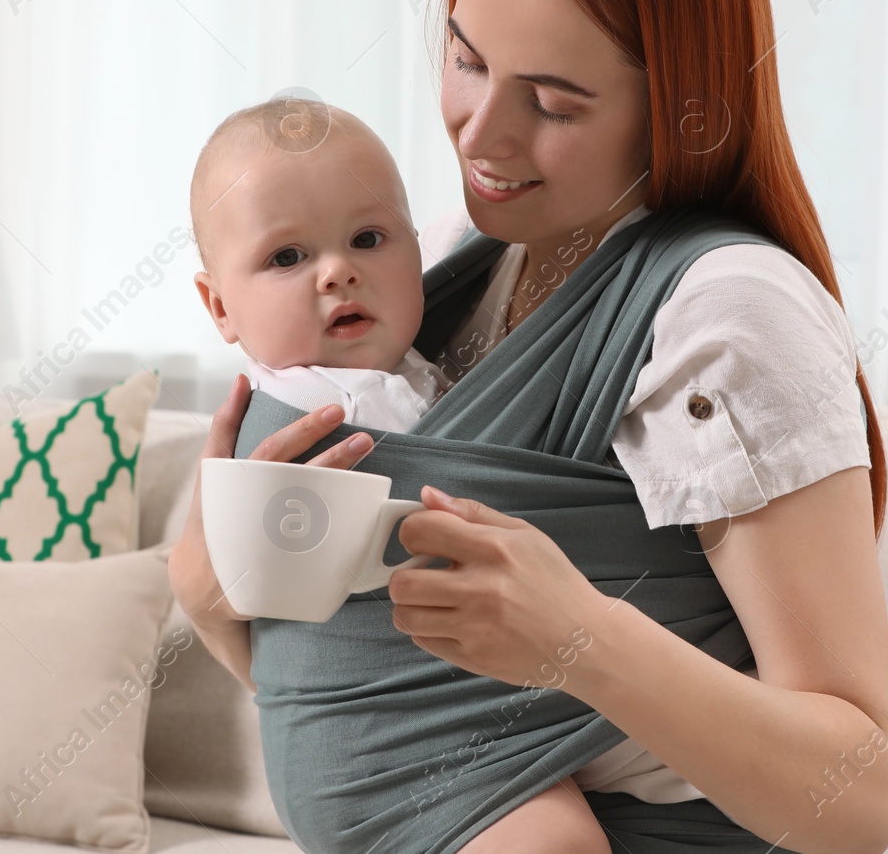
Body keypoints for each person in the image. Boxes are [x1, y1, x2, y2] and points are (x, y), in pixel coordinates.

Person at [171, 0, 888, 854]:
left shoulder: (729, 312)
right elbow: (412, 716)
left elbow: (861, 793)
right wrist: (215, 603)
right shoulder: (468, 270)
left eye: (553, 101)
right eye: (466, 61)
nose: (479, 136)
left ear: (679, 109)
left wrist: (578, 637)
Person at [188, 97, 716, 852]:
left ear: (417, 251)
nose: (337, 271)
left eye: (368, 239)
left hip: (453, 732)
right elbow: (303, 633)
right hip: (379, 748)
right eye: (286, 257)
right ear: (219, 307)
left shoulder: (417, 373)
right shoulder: (295, 407)